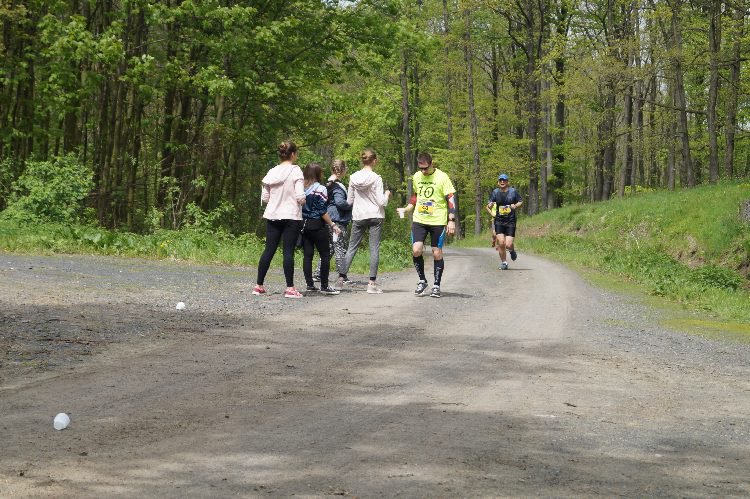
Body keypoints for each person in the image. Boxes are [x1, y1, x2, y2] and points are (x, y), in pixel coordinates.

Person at [398, 152, 457, 298]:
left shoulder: (442, 177)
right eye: (421, 168)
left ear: (432, 164)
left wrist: (451, 220)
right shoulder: (417, 176)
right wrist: (406, 209)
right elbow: (416, 196)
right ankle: (422, 281)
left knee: (436, 252)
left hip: (437, 220)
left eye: (425, 168)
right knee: (416, 250)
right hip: (420, 219)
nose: (423, 171)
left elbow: (451, 199)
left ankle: (436, 285)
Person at [253, 141, 306, 298]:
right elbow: (300, 197)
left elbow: (265, 198)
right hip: (291, 215)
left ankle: (258, 286)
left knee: (269, 250)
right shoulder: (296, 171)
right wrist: (303, 201)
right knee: (288, 251)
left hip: (273, 215)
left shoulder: (271, 172)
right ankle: (290, 288)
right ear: (293, 154)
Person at [337, 148, 391, 294]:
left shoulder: (353, 177)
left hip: (359, 216)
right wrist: (387, 194)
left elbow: (349, 201)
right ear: (374, 161)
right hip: (375, 215)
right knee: (374, 249)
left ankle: (340, 280)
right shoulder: (376, 178)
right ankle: (371, 284)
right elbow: (381, 202)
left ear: (362, 161)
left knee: (351, 248)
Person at [301, 163, 342, 295]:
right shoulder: (321, 189)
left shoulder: (302, 188)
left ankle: (310, 285)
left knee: (308, 255)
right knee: (325, 254)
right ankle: (324, 286)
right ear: (318, 174)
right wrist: (333, 225)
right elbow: (322, 211)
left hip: (304, 225)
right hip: (317, 225)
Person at [312, 159, 352, 285]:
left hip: (328, 219)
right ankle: (342, 276)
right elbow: (340, 202)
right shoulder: (337, 186)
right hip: (337, 221)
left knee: (329, 248)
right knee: (340, 247)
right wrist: (351, 204)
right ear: (343, 170)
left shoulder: (328, 184)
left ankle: (318, 273)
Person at [487, 173, 523, 270]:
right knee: (501, 243)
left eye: (504, 180)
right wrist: (490, 205)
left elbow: (520, 201)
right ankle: (504, 262)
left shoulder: (513, 191)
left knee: (508, 244)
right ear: (498, 182)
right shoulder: (495, 192)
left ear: (507, 182)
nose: (502, 181)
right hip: (499, 221)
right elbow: (489, 202)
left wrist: (516, 205)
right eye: (500, 180)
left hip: (510, 221)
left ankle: (511, 250)